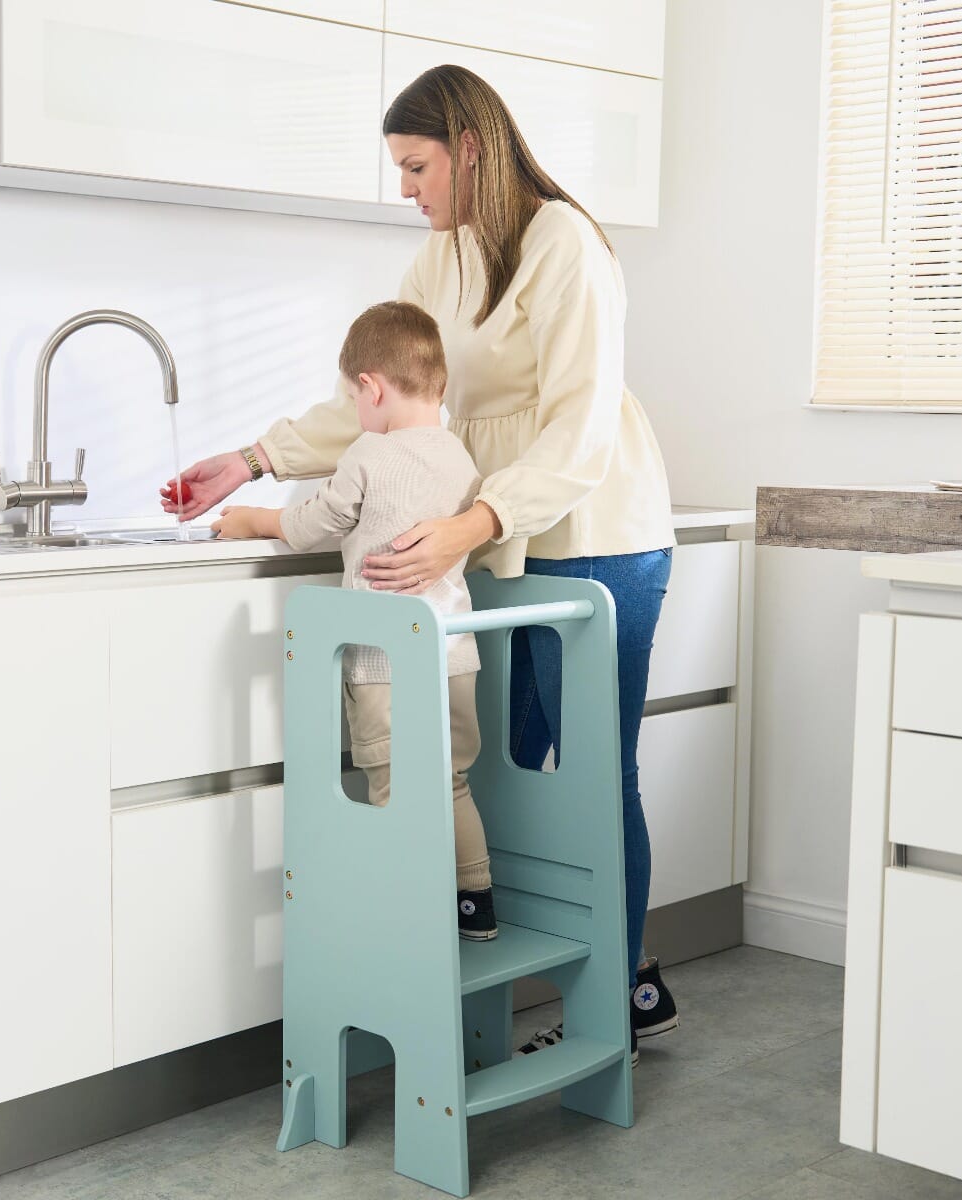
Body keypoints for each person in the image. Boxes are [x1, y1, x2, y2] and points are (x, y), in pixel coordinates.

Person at [162, 64, 680, 1056]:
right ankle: (558, 980)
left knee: (586, 776)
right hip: (496, 527)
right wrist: (251, 459)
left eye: (415, 166)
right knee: (517, 777)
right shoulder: (439, 261)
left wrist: (467, 524)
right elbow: (385, 399)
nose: (406, 189)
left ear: (469, 150)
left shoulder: (565, 244)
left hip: (595, 534)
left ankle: (619, 991)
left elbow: (578, 433)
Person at [206, 299, 499, 941]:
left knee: (392, 786)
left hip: (381, 661)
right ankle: (475, 905)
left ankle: (405, 921)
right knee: (450, 782)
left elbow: (314, 524)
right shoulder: (461, 459)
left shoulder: (369, 454)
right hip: (454, 656)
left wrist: (256, 519)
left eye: (353, 396)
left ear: (370, 389)